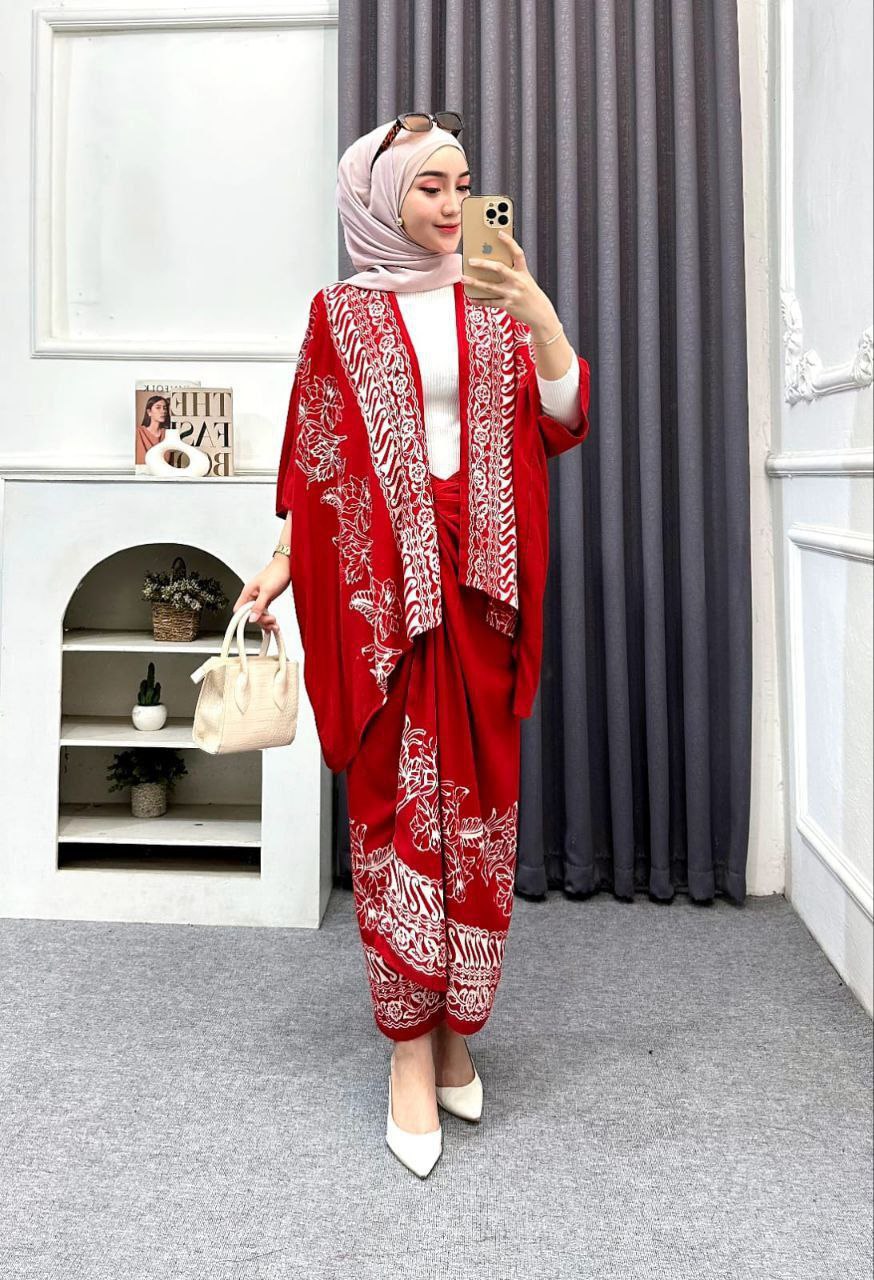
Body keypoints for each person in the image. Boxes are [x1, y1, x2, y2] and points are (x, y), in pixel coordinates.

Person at [234, 113, 591, 1178]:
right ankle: (405, 1043)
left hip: (482, 590)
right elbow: (317, 455)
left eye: (462, 185)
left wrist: (536, 310)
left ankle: (453, 1026)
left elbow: (563, 416)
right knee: (394, 806)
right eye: (429, 187)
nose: (450, 205)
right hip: (379, 602)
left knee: (476, 809)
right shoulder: (339, 313)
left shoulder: (492, 298)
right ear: (382, 198)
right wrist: (284, 559)